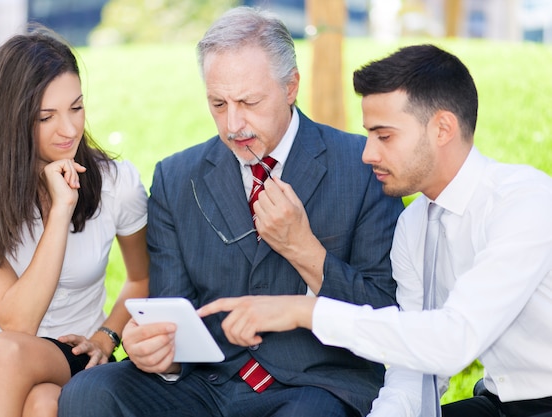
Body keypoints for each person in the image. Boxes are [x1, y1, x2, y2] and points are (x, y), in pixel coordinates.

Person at [58, 6, 403, 417]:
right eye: (218, 103)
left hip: (315, 386)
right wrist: (159, 354)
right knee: (89, 392)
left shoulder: (362, 167)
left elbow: (385, 314)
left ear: (291, 86)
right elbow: (174, 315)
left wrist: (304, 249)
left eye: (249, 101)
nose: (233, 123)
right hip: (205, 385)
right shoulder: (176, 176)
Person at [198, 44, 552, 417]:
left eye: (384, 136)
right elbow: (416, 365)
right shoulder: (414, 226)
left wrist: (307, 311)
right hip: (499, 405)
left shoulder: (525, 201)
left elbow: (454, 339)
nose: (368, 154)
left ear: (443, 128)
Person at [0, 25, 150, 417]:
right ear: (12, 119)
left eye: (76, 107)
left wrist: (106, 338)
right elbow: (17, 322)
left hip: (74, 356)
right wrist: (59, 212)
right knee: (40, 399)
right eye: (46, 117)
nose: (70, 129)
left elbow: (142, 278)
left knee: (27, 371)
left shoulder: (116, 184)